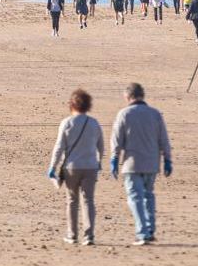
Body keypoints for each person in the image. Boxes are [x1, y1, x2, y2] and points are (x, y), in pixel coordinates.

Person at [110, 83, 171, 245]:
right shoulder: (155, 114)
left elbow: (117, 140)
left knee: (135, 198)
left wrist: (114, 159)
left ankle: (142, 231)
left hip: (132, 163)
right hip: (151, 163)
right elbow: (163, 139)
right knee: (148, 195)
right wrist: (167, 160)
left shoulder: (124, 114)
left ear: (128, 97)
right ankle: (150, 229)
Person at [46, 89, 105, 246]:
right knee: (89, 201)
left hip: (72, 167)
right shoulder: (94, 123)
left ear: (71, 105)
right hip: (90, 166)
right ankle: (89, 235)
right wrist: (99, 161)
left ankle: (72, 235)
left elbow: (59, 147)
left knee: (72, 201)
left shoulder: (67, 123)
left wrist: (53, 166)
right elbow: (101, 146)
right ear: (88, 105)